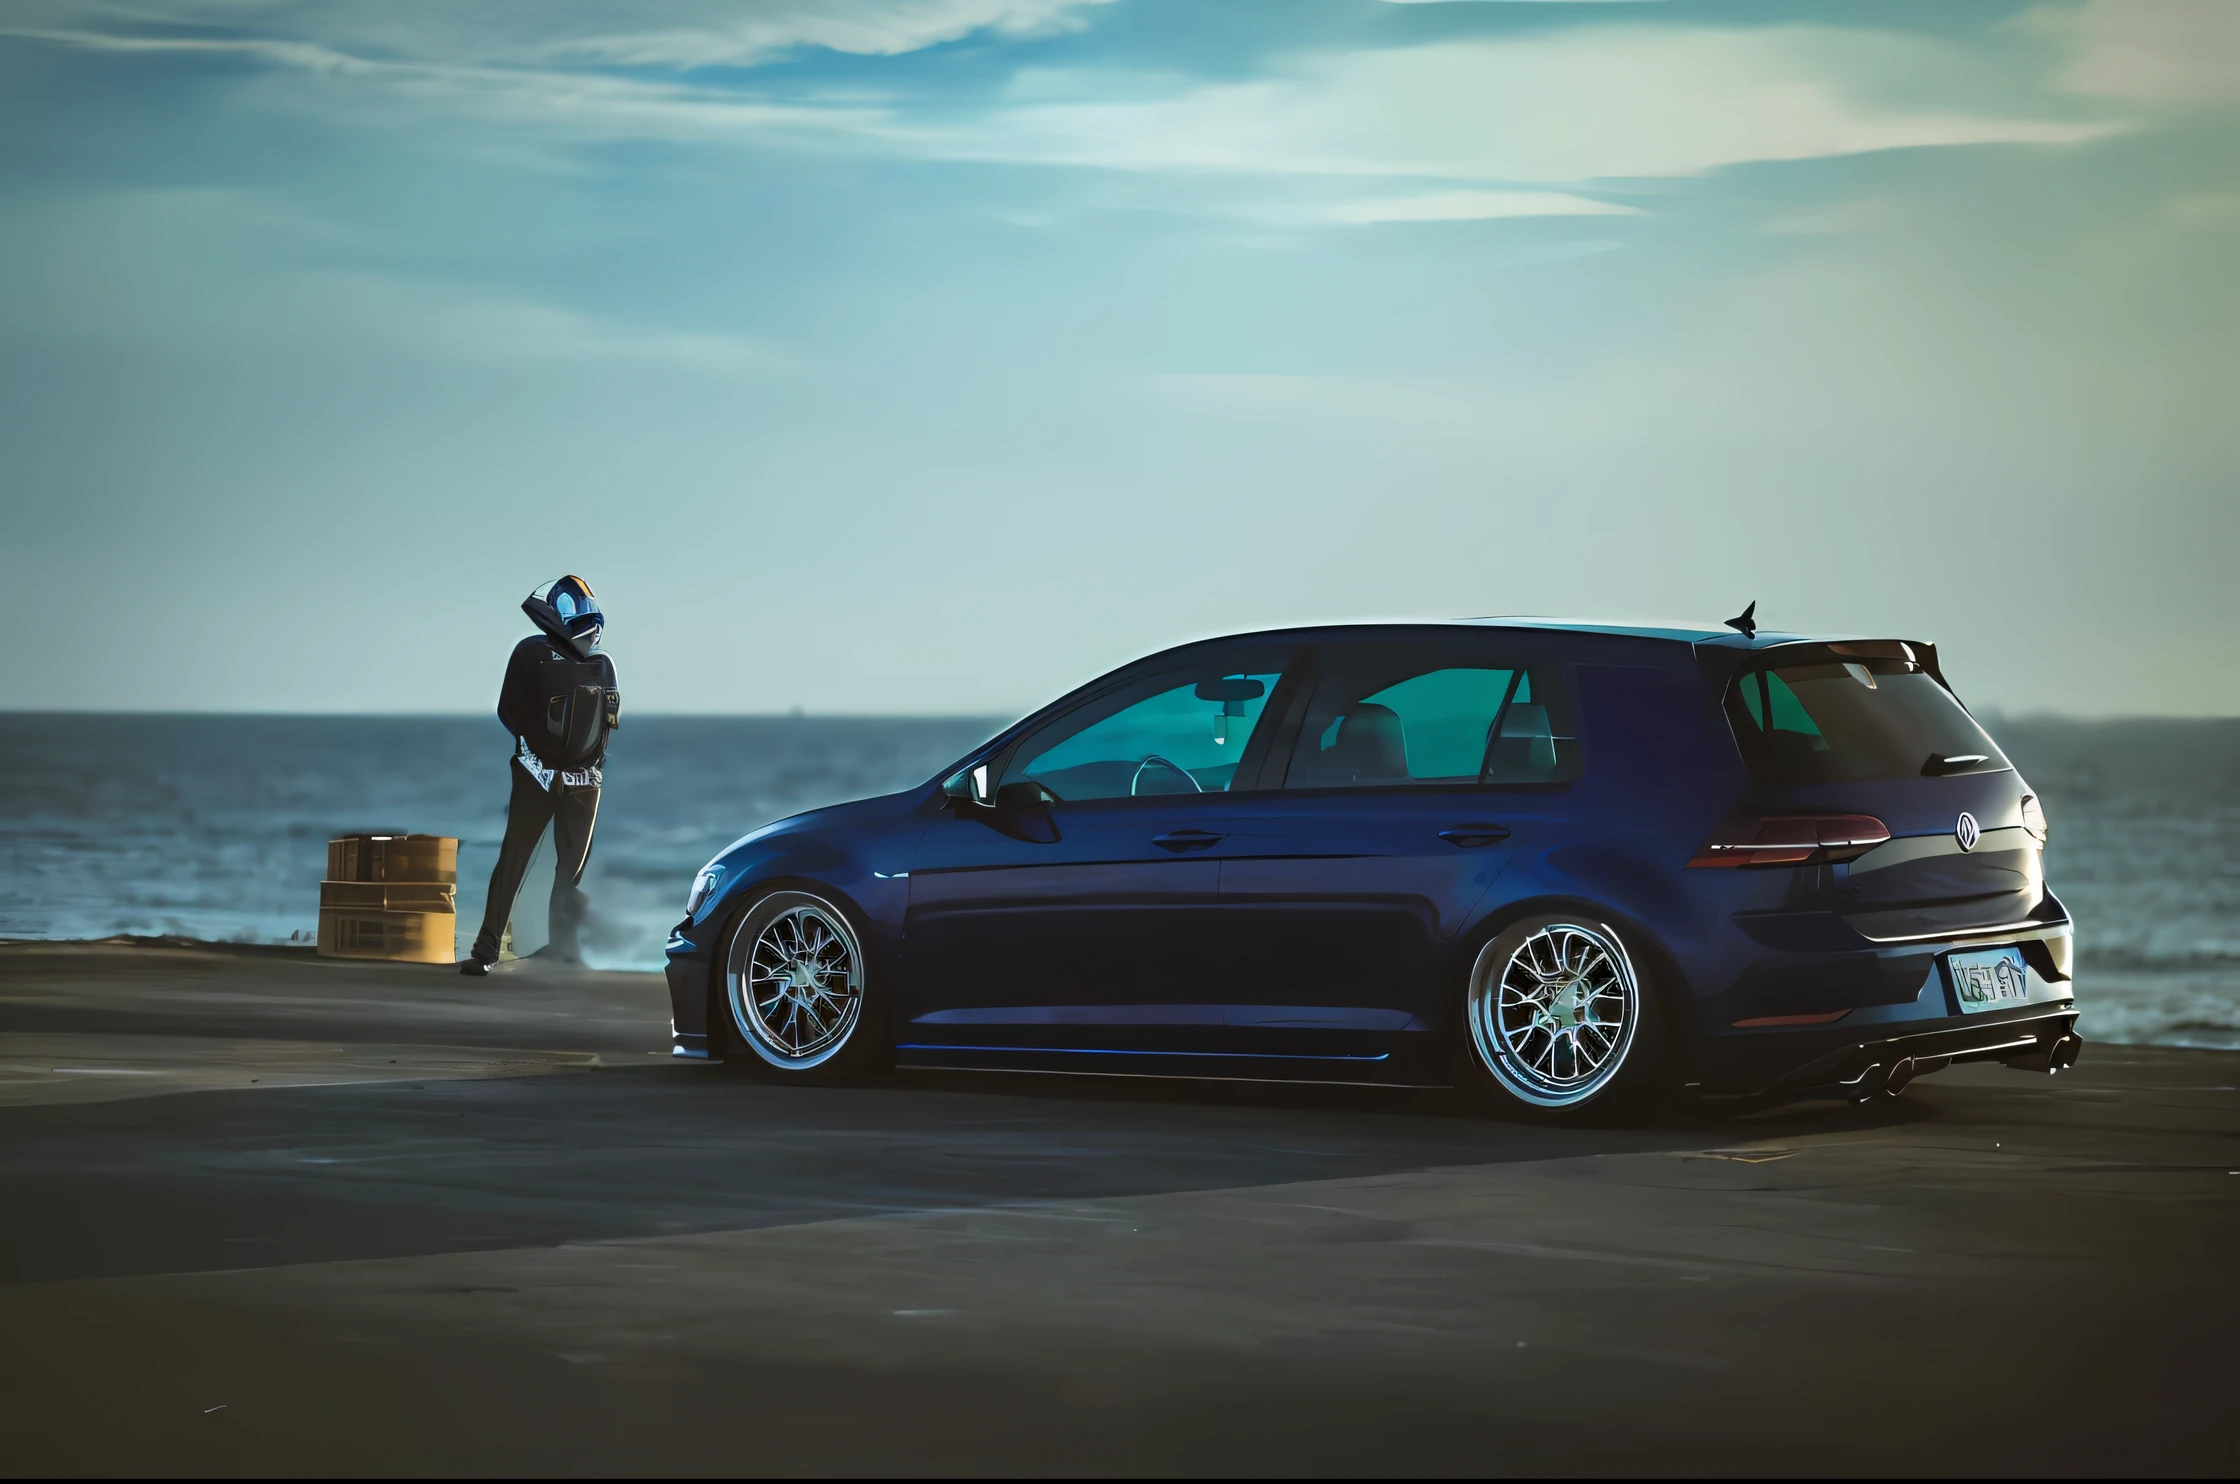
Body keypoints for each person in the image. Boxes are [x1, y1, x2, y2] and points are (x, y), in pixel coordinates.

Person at [461, 576, 620, 976]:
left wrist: (587, 769)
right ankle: (486, 949)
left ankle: (561, 947)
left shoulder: (602, 664)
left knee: (571, 867)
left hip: (582, 779)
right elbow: (509, 711)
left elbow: (606, 723)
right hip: (540, 773)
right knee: (516, 858)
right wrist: (537, 755)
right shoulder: (532, 653)